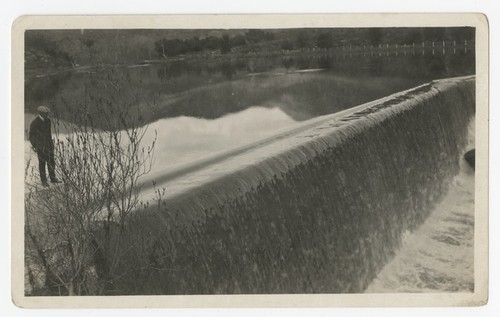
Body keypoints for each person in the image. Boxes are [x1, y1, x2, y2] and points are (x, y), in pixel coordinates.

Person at [29, 106, 61, 186]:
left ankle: (53, 178)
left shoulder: (48, 121)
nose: (47, 115)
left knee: (51, 162)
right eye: (45, 113)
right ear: (40, 113)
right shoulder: (35, 123)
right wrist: (36, 146)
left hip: (49, 145)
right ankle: (44, 181)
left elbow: (49, 134)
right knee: (42, 163)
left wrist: (51, 144)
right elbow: (31, 136)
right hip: (40, 147)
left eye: (47, 113)